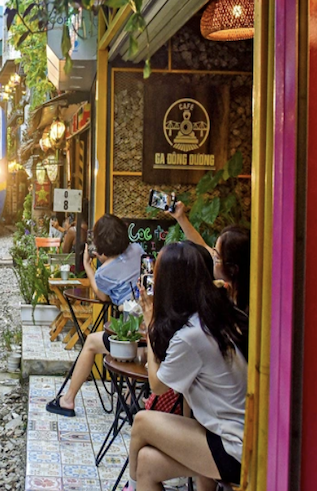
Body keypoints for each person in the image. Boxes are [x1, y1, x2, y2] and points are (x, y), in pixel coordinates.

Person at [127, 241, 248, 491]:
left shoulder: (192, 336)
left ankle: (129, 488)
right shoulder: (214, 315)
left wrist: (151, 325)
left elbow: (157, 385)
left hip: (234, 449)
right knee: (147, 464)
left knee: (141, 421)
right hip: (235, 436)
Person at [46, 213, 143, 417]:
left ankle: (68, 399)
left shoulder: (104, 272)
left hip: (131, 333)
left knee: (90, 342)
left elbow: (102, 295)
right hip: (149, 326)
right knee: (120, 347)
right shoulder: (137, 250)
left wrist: (89, 267)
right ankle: (128, 395)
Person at [170, 201, 252, 313]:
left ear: (232, 269)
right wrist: (181, 217)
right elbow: (201, 245)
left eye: (217, 257)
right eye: (213, 251)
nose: (212, 256)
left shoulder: (243, 310)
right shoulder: (231, 290)